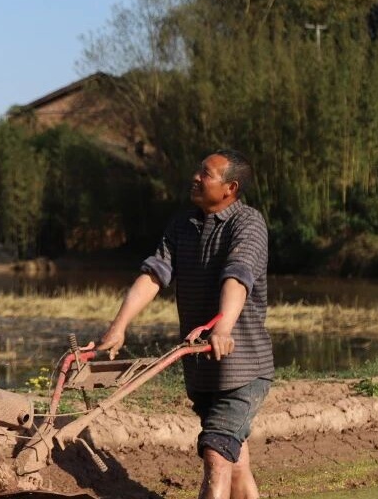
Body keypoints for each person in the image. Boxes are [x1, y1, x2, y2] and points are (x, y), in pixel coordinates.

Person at [93, 150, 272, 499]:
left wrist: (223, 328)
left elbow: (238, 277)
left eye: (206, 174)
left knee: (216, 454)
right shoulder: (182, 225)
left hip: (243, 369)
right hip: (202, 369)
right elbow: (154, 275)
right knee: (235, 465)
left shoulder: (247, 223)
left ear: (231, 188)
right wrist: (119, 326)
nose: (195, 177)